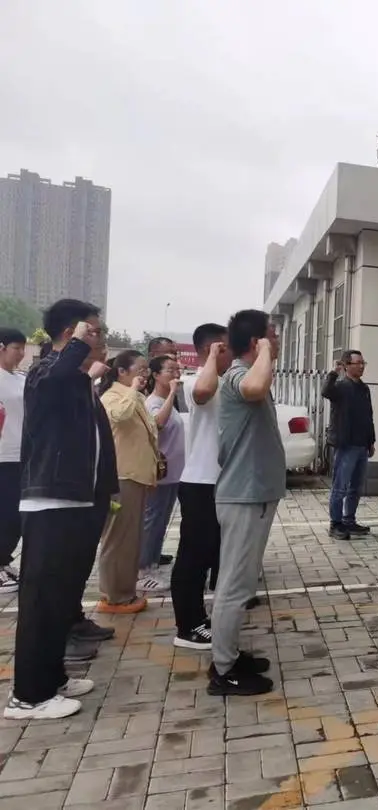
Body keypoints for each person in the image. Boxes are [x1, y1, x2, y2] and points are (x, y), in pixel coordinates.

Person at [8, 300, 118, 720]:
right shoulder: (45, 372)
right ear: (73, 333)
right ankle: (28, 696)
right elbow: (54, 376)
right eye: (95, 331)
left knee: (61, 598)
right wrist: (77, 348)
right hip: (51, 501)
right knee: (41, 601)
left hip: (79, 501)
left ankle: (52, 677)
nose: (102, 338)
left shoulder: (76, 381)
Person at [210, 310, 284, 695]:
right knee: (235, 586)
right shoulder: (239, 374)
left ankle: (230, 655)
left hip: (253, 495)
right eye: (273, 334)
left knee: (242, 582)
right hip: (243, 495)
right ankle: (224, 670)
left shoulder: (247, 373)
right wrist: (266, 351)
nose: (278, 340)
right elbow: (254, 388)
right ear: (257, 342)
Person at [171, 323, 230, 651]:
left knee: (208, 554)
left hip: (217, 483)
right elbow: (203, 393)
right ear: (213, 349)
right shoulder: (197, 380)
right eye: (226, 348)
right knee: (193, 558)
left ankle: (198, 618)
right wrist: (211, 358)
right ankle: (187, 626)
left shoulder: (223, 381)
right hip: (199, 483)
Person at [97, 350, 159, 613]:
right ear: (121, 372)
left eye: (146, 370)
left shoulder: (138, 397)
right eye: (140, 369)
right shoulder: (111, 396)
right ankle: (113, 595)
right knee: (117, 539)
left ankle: (125, 591)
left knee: (131, 539)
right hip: (122, 476)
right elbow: (120, 416)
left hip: (137, 475)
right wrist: (133, 390)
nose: (144, 375)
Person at [139, 354, 185, 591]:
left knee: (160, 522)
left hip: (172, 474)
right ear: (156, 375)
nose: (176, 374)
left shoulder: (168, 401)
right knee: (152, 521)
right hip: (159, 474)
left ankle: (152, 564)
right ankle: (142, 570)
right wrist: (173, 393)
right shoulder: (153, 402)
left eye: (177, 370)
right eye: (170, 370)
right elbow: (158, 423)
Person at [322, 351, 375, 539]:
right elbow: (325, 391)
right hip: (346, 445)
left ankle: (349, 520)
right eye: (357, 363)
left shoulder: (364, 389)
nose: (361, 366)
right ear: (346, 365)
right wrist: (333, 373)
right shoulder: (341, 387)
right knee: (340, 486)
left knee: (356, 487)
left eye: (363, 363)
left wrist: (371, 441)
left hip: (362, 445)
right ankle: (335, 524)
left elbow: (369, 416)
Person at [0, 328, 27, 593]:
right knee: (5, 513)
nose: (21, 353)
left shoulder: (20, 378)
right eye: (16, 348)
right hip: (3, 456)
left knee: (17, 514)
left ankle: (3, 560)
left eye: (22, 348)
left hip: (23, 454)